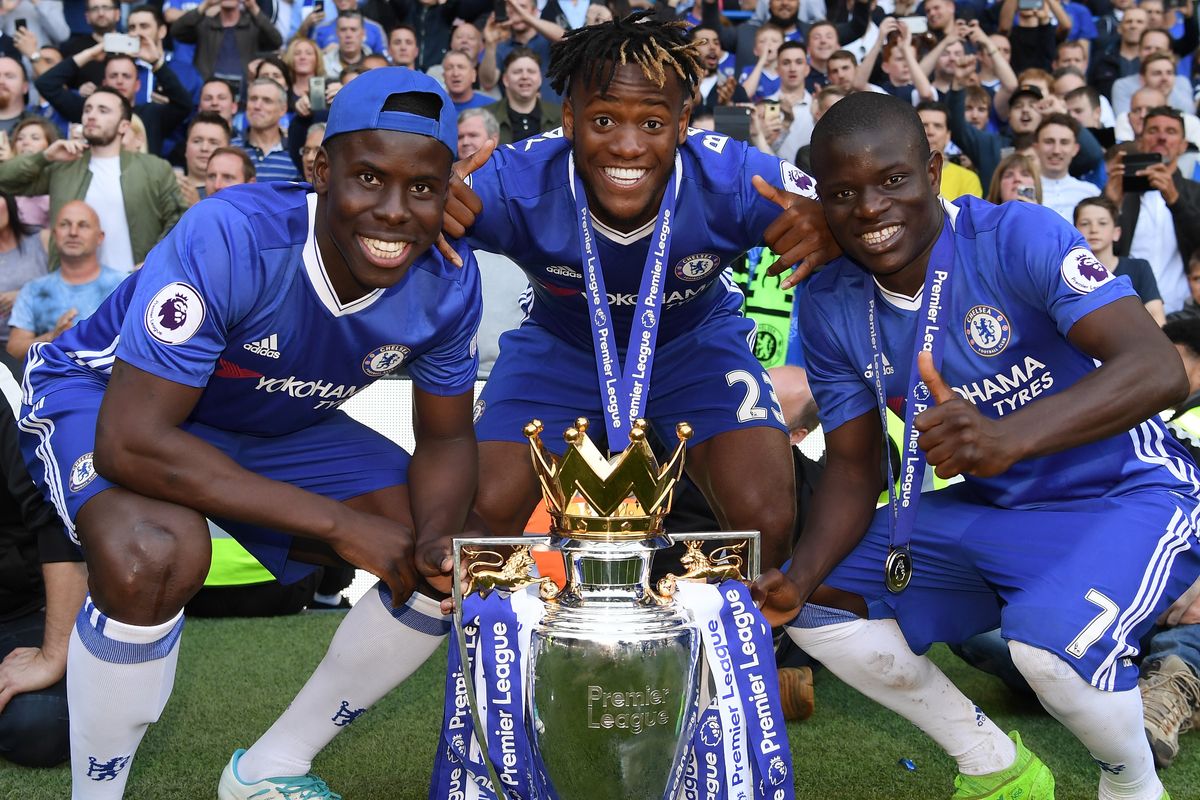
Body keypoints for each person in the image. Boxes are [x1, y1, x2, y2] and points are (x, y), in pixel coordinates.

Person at [17, 67, 485, 800]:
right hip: (112, 397)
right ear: (320, 169)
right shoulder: (235, 231)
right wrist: (337, 525)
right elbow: (133, 443)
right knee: (156, 553)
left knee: (443, 558)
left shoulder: (451, 280)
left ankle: (271, 769)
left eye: (422, 188)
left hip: (264, 414)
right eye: (368, 177)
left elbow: (451, 442)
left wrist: (434, 535)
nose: (396, 211)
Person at [754, 91, 1198, 800]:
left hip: (1126, 494)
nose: (869, 209)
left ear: (934, 168)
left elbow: (1158, 370)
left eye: (892, 180)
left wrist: (1007, 437)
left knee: (1048, 658)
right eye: (843, 194)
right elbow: (853, 463)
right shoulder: (831, 297)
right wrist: (795, 576)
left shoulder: (1016, 235)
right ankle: (994, 764)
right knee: (817, 605)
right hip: (994, 509)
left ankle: (1132, 784)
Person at [450, 11, 839, 578]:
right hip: (563, 349)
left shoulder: (736, 178)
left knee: (765, 522)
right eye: (603, 119)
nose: (627, 146)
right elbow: (398, 216)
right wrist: (428, 204)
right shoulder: (511, 181)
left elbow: (855, 214)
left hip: (694, 347)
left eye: (652, 124)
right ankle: (498, 659)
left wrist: (831, 224)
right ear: (568, 119)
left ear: (683, 123)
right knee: (475, 518)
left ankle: (742, 654)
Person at [0, 365, 85, 769]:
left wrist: (54, 655)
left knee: (41, 725)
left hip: (19, 609)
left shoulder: (5, 388)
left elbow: (56, 518)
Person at [0, 88, 185, 272]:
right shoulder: (63, 166)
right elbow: (5, 181)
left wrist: (154, 261)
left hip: (132, 287)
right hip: (73, 290)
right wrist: (45, 156)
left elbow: (179, 218)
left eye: (103, 110)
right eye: (87, 109)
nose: (91, 116)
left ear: (124, 126)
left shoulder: (155, 168)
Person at [1107, 107, 1200, 315]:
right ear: (1140, 141)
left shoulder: (1196, 192)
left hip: (1184, 312)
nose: (1161, 137)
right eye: (1153, 131)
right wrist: (1110, 204)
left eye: (1171, 132)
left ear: (1184, 146)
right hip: (1126, 310)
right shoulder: (1121, 192)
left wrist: (1176, 201)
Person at [7, 200, 123, 360]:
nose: (73, 232)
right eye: (65, 225)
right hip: (52, 381)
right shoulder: (33, 290)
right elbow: (13, 350)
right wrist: (52, 337)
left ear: (100, 237)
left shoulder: (123, 285)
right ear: (54, 235)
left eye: (83, 225)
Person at [1075, 196, 1164, 324]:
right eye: (1085, 224)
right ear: (1074, 231)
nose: (1094, 230)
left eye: (1102, 223)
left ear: (1116, 232)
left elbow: (1156, 316)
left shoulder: (1139, 268)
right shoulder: (1068, 274)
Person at [484, 48, 561, 145]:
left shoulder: (561, 116)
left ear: (540, 79)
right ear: (505, 80)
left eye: (531, 71)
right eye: (517, 72)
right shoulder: (485, 116)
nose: (525, 76)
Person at [1033, 113, 1100, 220]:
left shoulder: (1091, 193)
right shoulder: (1023, 192)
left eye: (1064, 142)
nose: (1056, 150)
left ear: (1075, 149)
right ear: (1036, 147)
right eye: (1049, 142)